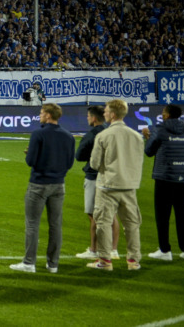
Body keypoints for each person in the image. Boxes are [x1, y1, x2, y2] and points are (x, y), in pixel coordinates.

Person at [10, 103, 74, 274]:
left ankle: (29, 263)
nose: (39, 116)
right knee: (55, 225)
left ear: (47, 115)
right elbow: (69, 163)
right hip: (59, 185)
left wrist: (32, 153)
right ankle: (53, 264)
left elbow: (30, 161)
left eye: (41, 113)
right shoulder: (69, 136)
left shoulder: (39, 133)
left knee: (32, 224)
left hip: (39, 184)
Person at [88, 99, 144, 271]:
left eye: (106, 111)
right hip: (129, 185)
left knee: (103, 223)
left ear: (112, 115)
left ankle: (105, 261)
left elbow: (95, 164)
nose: (104, 113)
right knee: (132, 224)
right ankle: (133, 261)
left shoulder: (103, 135)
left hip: (108, 186)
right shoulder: (136, 136)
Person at [143, 103, 184, 262]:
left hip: (165, 175)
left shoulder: (160, 129)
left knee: (162, 214)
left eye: (163, 112)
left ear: (166, 114)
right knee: (182, 213)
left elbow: (149, 151)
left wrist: (147, 137)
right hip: (182, 176)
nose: (162, 114)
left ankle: (165, 250)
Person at [74, 106, 119, 260]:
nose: (87, 118)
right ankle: (113, 250)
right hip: (112, 177)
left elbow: (79, 156)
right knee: (111, 214)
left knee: (94, 215)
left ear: (93, 118)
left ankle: (93, 250)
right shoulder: (112, 132)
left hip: (94, 177)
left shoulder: (92, 134)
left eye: (88, 116)